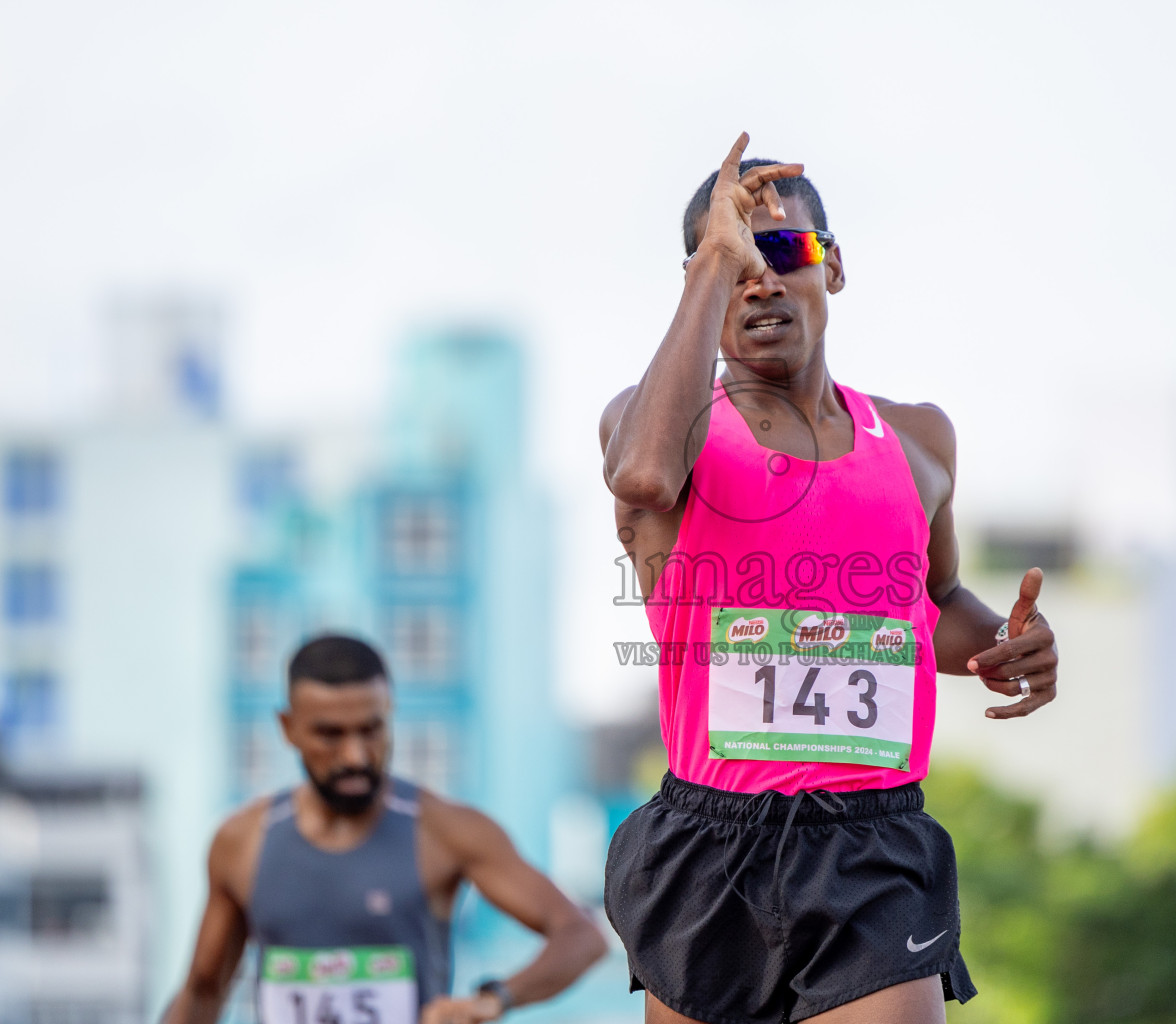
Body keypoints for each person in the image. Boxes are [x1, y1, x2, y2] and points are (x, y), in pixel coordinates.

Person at [598, 132, 1060, 1024]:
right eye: (730, 263)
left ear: (833, 266)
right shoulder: (660, 427)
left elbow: (932, 609)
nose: (760, 280)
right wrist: (712, 262)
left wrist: (1007, 644)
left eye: (784, 251)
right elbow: (645, 479)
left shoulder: (919, 441)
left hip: (872, 845)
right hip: (710, 844)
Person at [162, 635, 606, 1024]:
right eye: (330, 734)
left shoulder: (446, 830)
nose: (355, 755)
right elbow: (203, 989)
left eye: (371, 729)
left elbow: (581, 935)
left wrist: (494, 1000)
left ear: (390, 714)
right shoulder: (242, 841)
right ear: (288, 728)